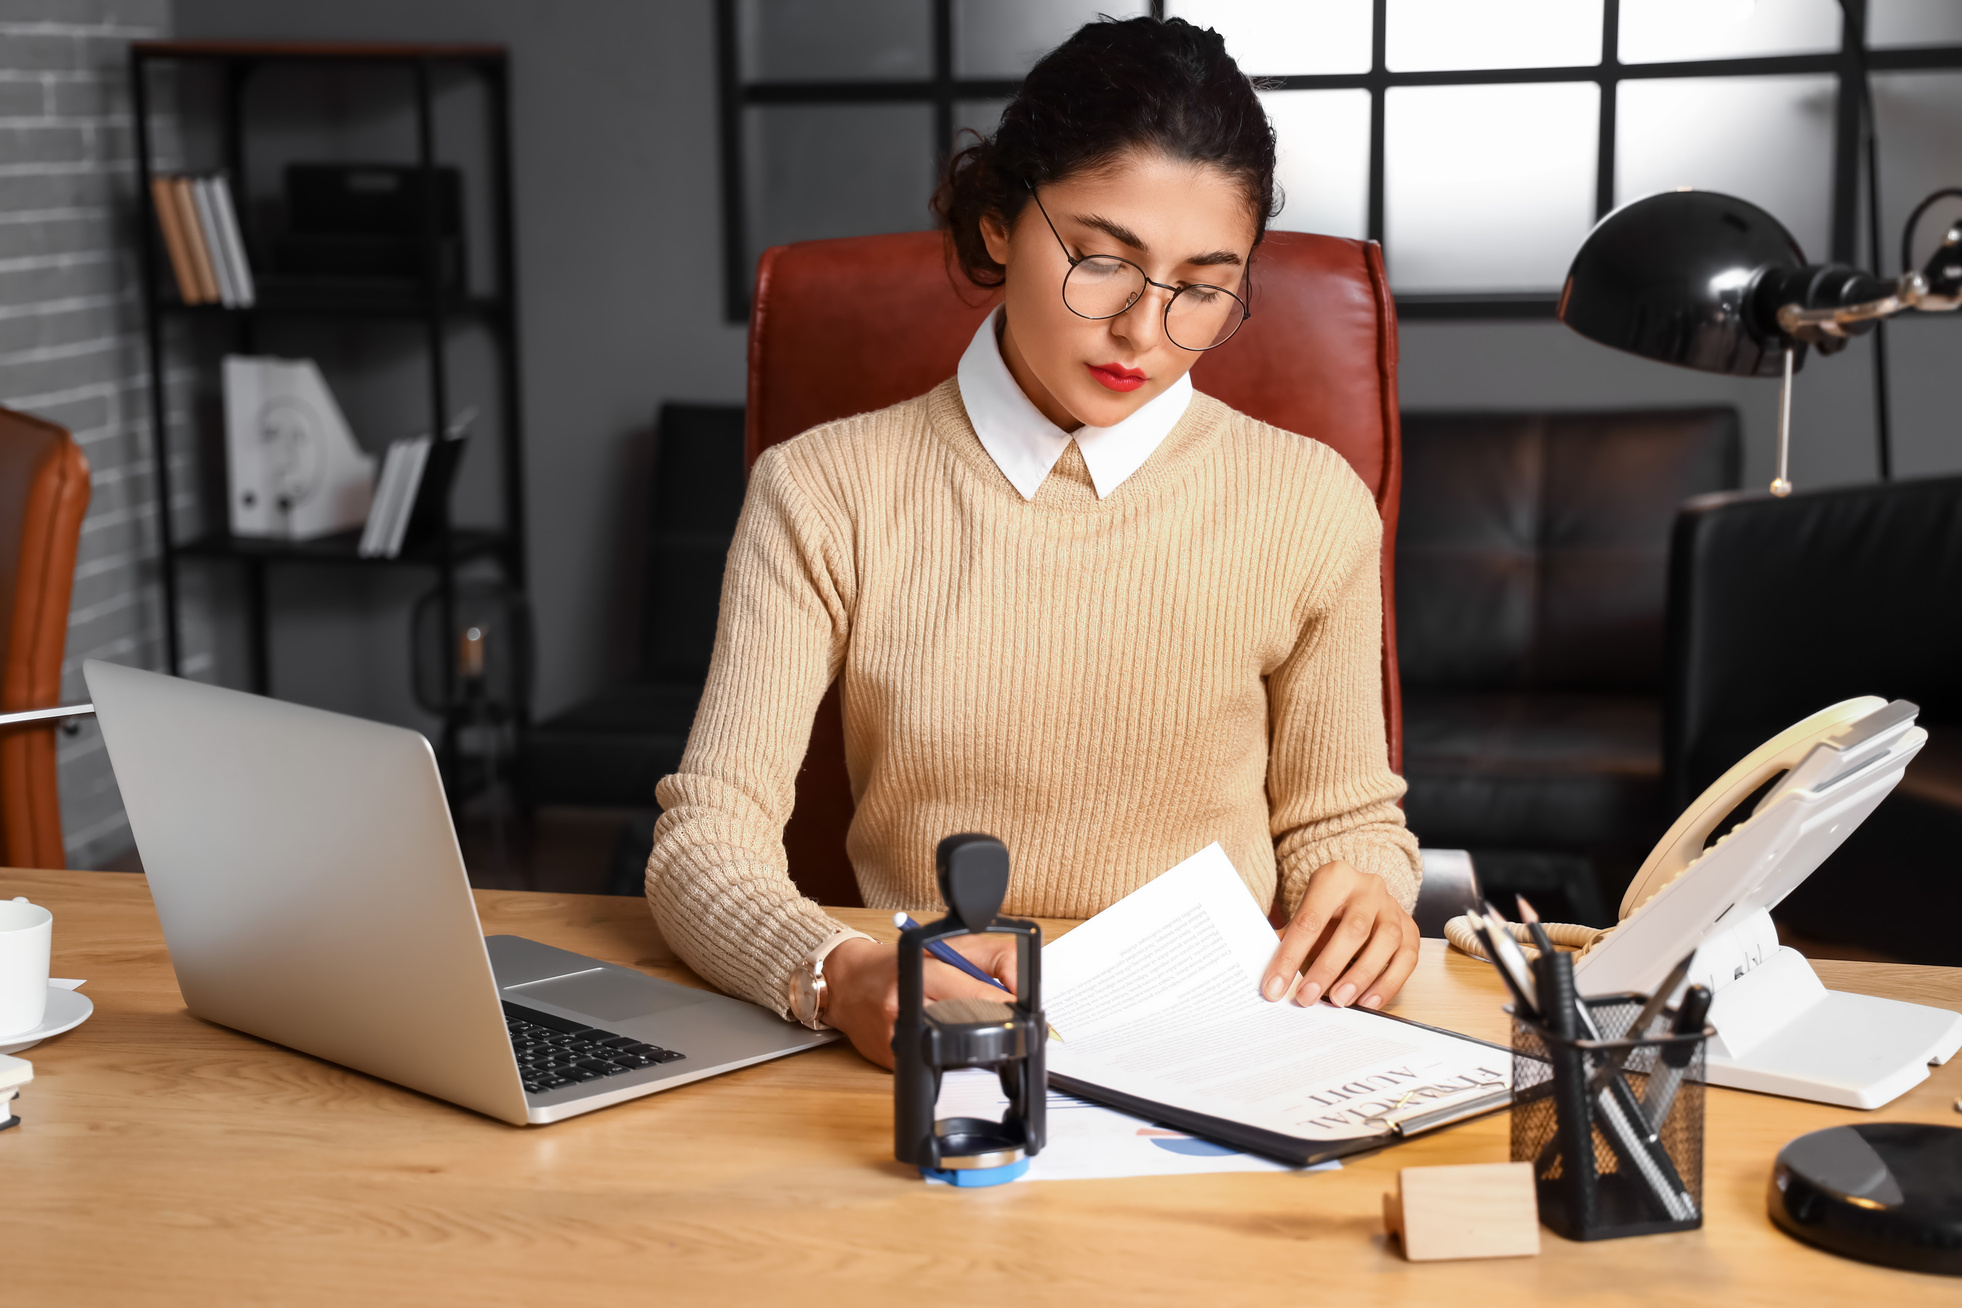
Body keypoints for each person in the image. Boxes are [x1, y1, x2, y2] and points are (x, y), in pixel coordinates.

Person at [646, 15, 1421, 1068]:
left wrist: (1367, 889)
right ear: (1000, 220)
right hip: (936, 1042)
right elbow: (704, 841)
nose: (1145, 334)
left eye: (1202, 287)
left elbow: (1344, 823)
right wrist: (837, 972)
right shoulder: (825, 490)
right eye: (1102, 261)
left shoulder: (1308, 500)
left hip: (1215, 1044)